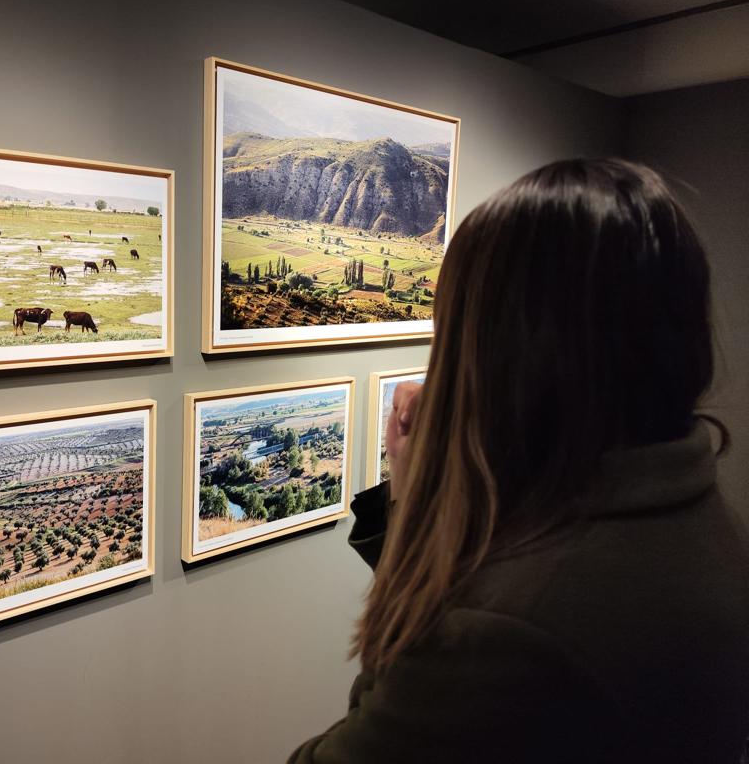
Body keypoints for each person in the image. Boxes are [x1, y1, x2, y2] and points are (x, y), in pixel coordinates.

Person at [289, 158, 749, 763]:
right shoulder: (689, 510)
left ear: (498, 352)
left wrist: (413, 488)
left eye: (450, 330)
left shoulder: (500, 638)